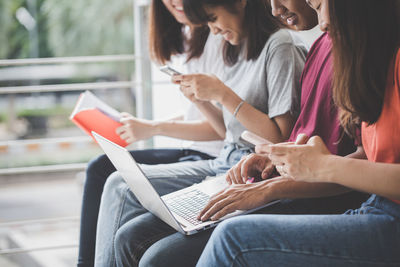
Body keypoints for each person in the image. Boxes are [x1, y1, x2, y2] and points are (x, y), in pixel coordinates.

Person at [138, 0, 369, 266]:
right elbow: (298, 139)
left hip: (310, 191)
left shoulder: (290, 46)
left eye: (318, 3)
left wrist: (272, 185)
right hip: (272, 173)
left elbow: (303, 145)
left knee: (157, 255)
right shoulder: (320, 45)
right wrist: (272, 160)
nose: (274, 10)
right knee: (137, 228)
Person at [94, 0, 307, 266]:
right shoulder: (238, 47)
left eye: (213, 18)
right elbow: (227, 132)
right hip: (227, 161)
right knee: (120, 194)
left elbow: (279, 140)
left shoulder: (281, 47)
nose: (214, 31)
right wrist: (200, 100)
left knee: (122, 189)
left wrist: (223, 94)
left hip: (248, 170)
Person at [197, 0, 400, 265]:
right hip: (376, 205)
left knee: (231, 240)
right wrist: (288, 165)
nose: (323, 23)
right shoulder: (367, 59)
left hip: (388, 215)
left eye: (320, 6)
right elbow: (370, 159)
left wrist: (323, 166)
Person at [76, 0, 227, 266]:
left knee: (115, 181)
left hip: (210, 155)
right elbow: (198, 114)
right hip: (192, 149)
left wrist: (153, 128)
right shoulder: (187, 37)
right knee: (100, 166)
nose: (176, 3)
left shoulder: (219, 36)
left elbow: (222, 127)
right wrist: (147, 124)